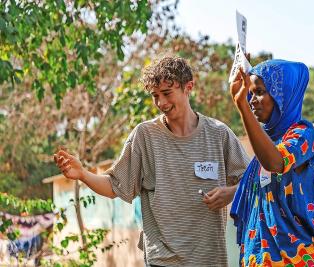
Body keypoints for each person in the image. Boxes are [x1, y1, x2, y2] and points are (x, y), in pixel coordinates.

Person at [54, 55, 250, 267]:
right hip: (162, 260)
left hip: (209, 259)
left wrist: (230, 193)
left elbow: (252, 182)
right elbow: (115, 186)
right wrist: (83, 174)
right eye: (155, 95)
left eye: (167, 93)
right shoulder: (144, 136)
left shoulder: (219, 134)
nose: (161, 103)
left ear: (188, 87)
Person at [229, 59, 314, 266]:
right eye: (250, 94)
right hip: (258, 256)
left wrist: (242, 107)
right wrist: (226, 193)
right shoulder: (266, 143)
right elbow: (260, 188)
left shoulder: (302, 134)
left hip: (294, 257)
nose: (252, 100)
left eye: (260, 91)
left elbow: (276, 162)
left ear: (284, 94)